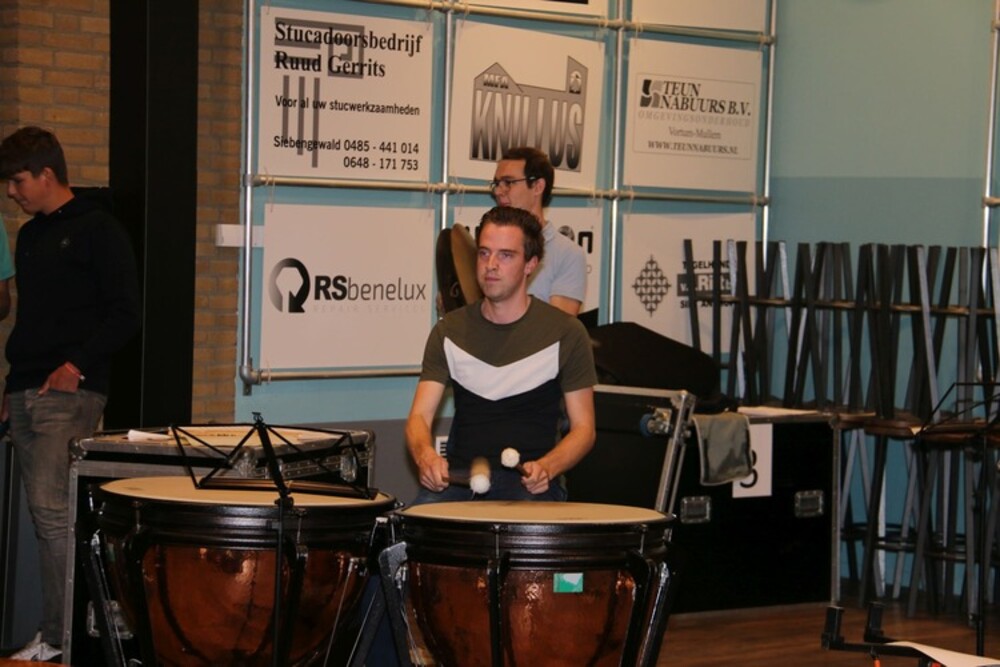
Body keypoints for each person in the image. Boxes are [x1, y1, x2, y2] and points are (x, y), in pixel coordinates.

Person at [0, 126, 140, 662]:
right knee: (47, 516)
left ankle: (62, 638)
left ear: (46, 174)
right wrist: (11, 386)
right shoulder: (29, 236)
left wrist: (75, 367)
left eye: (18, 181)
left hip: (69, 394)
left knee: (53, 512)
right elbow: (32, 321)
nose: (12, 192)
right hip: (25, 391)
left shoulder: (98, 229)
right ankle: (67, 631)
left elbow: (126, 313)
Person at [406, 205, 596, 503]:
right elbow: (419, 416)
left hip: (530, 485)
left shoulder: (566, 332)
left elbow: (584, 429)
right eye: (484, 253)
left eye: (506, 255)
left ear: (531, 264)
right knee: (416, 524)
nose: (491, 265)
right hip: (460, 478)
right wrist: (425, 455)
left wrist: (548, 467)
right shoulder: (448, 331)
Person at [490, 146, 587, 316]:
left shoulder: (568, 254)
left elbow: (558, 325)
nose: (499, 191)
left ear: (537, 186)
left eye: (508, 183)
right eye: (497, 184)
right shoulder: (488, 247)